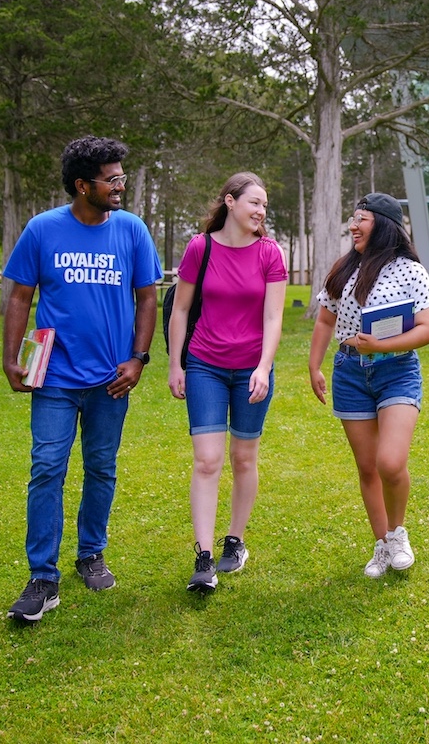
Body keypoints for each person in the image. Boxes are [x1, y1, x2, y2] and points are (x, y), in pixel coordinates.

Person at [1, 136, 162, 623]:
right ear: (81, 185)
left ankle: (91, 553)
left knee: (101, 467)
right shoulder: (42, 230)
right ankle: (42, 578)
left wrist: (138, 359)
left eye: (121, 177)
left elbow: (148, 298)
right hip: (53, 376)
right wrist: (11, 359)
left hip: (110, 379)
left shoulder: (132, 231)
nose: (120, 185)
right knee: (47, 467)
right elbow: (19, 297)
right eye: (110, 179)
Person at [167, 173, 288, 591]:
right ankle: (203, 557)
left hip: (253, 368)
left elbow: (274, 317)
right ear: (230, 202)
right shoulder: (200, 248)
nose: (260, 211)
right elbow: (180, 310)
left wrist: (263, 366)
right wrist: (175, 365)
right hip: (205, 365)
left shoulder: (270, 253)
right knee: (206, 460)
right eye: (254, 202)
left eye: (265, 206)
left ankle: (234, 541)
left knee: (243, 458)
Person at [309, 193, 429, 577]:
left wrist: (381, 345)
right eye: (352, 218)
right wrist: (314, 366)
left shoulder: (411, 271)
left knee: (390, 462)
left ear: (383, 224)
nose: (353, 225)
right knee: (367, 467)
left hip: (396, 370)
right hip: (350, 372)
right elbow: (324, 320)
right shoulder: (345, 269)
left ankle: (398, 534)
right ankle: (382, 544)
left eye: (360, 218)